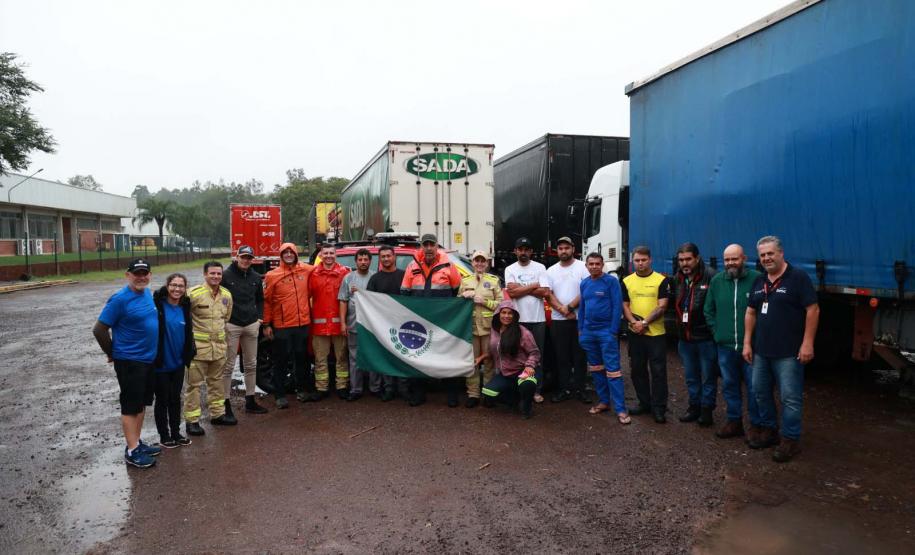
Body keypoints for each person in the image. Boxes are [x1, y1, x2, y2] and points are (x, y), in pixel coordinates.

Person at [743, 236, 819, 462]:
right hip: (761, 352)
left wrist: (808, 343)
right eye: (762, 255)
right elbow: (750, 312)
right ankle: (769, 430)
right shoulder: (760, 281)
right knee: (759, 392)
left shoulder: (797, 278)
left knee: (790, 397)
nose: (766, 258)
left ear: (781, 253)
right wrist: (747, 342)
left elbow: (813, 310)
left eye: (770, 253)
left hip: (789, 353)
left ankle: (791, 439)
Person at [93, 258, 162, 468]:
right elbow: (99, 329)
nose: (141, 277)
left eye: (145, 273)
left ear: (150, 275)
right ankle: (132, 451)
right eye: (136, 273)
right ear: (128, 275)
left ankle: (136, 443)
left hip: (147, 360)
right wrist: (113, 352)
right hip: (130, 361)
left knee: (141, 403)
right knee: (131, 406)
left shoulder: (147, 293)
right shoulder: (120, 299)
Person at [704, 244, 762, 440]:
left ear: (744, 258)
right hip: (726, 347)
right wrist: (717, 331)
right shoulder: (718, 281)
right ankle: (734, 421)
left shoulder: (756, 279)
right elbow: (708, 310)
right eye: (727, 259)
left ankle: (756, 425)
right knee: (729, 385)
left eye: (734, 259)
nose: (730, 263)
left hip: (751, 347)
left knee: (755, 387)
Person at [400, 233, 462, 406]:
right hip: (419, 321)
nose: (428, 248)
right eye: (425, 245)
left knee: (448, 355)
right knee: (419, 355)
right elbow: (404, 293)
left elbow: (457, 290)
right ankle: (418, 394)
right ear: (421, 247)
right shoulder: (412, 266)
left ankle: (451, 394)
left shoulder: (448, 265)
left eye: (431, 245)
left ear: (436, 247)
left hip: (444, 321)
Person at [621, 246, 672, 423]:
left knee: (658, 372)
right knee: (637, 370)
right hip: (635, 333)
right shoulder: (627, 280)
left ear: (650, 260)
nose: (640, 263)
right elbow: (625, 305)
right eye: (637, 260)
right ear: (632, 261)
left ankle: (659, 408)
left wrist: (644, 323)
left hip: (655, 334)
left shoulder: (661, 280)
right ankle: (644, 403)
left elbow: (662, 306)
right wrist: (634, 323)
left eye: (643, 260)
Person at [577, 252, 628, 424]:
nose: (594, 267)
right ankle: (604, 402)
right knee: (597, 369)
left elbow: (617, 307)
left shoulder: (611, 282)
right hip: (589, 333)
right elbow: (582, 308)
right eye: (591, 264)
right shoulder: (584, 283)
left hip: (606, 332)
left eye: (597, 264)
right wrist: (581, 331)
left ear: (602, 264)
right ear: (586, 266)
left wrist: (613, 331)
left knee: (613, 371)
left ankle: (621, 409)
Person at [184, 261, 234, 435]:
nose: (216, 277)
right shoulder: (194, 294)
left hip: (219, 348)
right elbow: (184, 317)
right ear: (205, 274)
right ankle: (192, 421)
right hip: (198, 349)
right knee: (194, 386)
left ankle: (218, 414)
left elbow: (226, 318)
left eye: (219, 274)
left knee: (216, 382)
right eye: (212, 273)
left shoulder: (226, 295)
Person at [262, 242, 314, 409]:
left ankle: (302, 390)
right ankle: (280, 395)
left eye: (292, 252)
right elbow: (267, 302)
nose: (289, 255)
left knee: (302, 359)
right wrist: (266, 324)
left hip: (302, 324)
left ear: (296, 254)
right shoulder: (272, 275)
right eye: (286, 253)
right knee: (280, 361)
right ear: (281, 255)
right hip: (282, 326)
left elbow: (324, 270)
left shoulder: (306, 270)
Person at [673, 243, 719, 427]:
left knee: (708, 376)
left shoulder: (711, 276)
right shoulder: (678, 278)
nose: (685, 263)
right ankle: (694, 407)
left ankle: (707, 411)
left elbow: (716, 308)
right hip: (685, 338)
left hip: (705, 338)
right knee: (691, 376)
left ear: (697, 258)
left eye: (688, 259)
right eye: (681, 260)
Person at [220, 245, 267, 416]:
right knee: (228, 365)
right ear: (237, 257)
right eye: (243, 257)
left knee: (251, 364)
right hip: (232, 324)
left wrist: (259, 318)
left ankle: (250, 400)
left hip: (251, 325)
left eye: (249, 258)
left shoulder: (255, 277)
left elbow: (260, 299)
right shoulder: (225, 275)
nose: (246, 260)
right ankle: (225, 404)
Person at [504, 236, 550, 404]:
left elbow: (545, 292)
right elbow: (512, 293)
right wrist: (533, 285)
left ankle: (536, 390)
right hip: (518, 320)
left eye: (526, 249)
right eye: (520, 249)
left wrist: (521, 288)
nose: (523, 252)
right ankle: (520, 387)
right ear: (515, 251)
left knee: (538, 356)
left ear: (531, 251)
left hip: (538, 319)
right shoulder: (510, 269)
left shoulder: (540, 267)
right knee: (517, 355)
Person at [152, 273, 196, 448]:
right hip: (161, 362)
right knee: (162, 399)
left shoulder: (185, 306)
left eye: (181, 286)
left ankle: (176, 433)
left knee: (175, 398)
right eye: (173, 285)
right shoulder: (157, 305)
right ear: (167, 286)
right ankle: (164, 436)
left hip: (178, 362)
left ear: (185, 289)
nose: (177, 289)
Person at [546, 236, 591, 404]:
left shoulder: (583, 267)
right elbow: (548, 294)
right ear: (557, 251)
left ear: (573, 249)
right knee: (561, 357)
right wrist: (562, 310)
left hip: (580, 319)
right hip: (559, 320)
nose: (563, 251)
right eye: (560, 248)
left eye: (566, 248)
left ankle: (580, 389)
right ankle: (563, 389)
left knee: (580, 356)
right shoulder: (551, 270)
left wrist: (571, 307)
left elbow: (587, 289)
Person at [481, 300, 541, 419]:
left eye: (510, 313)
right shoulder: (494, 330)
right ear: (498, 314)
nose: (506, 316)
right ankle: (514, 399)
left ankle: (526, 406)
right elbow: (495, 349)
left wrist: (529, 366)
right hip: (505, 374)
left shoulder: (523, 332)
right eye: (503, 312)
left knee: (527, 385)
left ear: (515, 316)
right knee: (488, 392)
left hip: (522, 371)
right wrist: (481, 357)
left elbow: (534, 352)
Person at [458, 250, 502, 408]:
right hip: (470, 328)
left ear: (487, 263)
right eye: (477, 261)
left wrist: (484, 301)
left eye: (483, 261)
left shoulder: (494, 281)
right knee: (472, 363)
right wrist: (463, 296)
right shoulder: (465, 281)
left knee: (489, 360)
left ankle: (488, 393)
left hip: (489, 328)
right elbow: (457, 304)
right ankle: (473, 394)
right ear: (472, 263)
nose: (480, 264)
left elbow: (501, 305)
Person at [310, 243, 351, 400]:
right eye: (325, 253)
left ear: (336, 255)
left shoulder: (345, 273)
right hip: (319, 326)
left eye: (331, 253)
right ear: (320, 254)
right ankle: (321, 389)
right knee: (320, 360)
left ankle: (342, 387)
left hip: (339, 324)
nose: (328, 256)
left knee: (341, 358)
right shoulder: (312, 274)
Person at [366, 244, 407, 401]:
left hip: (402, 324)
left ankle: (403, 388)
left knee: (403, 356)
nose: (386, 259)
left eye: (388, 256)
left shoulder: (404, 276)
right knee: (386, 357)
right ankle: (388, 388)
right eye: (383, 256)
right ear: (379, 259)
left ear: (394, 256)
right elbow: (368, 301)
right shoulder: (375, 279)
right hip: (383, 325)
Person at [339, 248, 375, 401]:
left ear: (370, 261)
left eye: (366, 259)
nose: (363, 262)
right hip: (353, 325)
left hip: (373, 327)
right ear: (356, 261)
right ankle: (356, 389)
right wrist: (342, 323)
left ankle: (375, 388)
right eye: (360, 259)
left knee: (374, 356)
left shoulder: (375, 277)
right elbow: (343, 301)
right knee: (354, 358)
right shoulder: (348, 278)